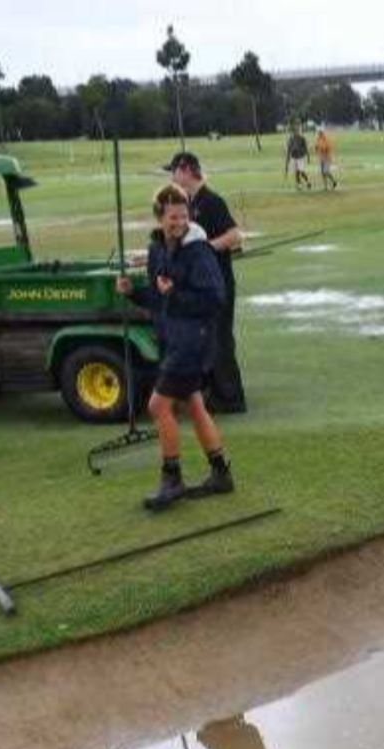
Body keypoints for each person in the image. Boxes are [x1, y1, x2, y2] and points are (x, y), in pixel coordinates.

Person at [115, 183, 234, 511]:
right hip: (173, 338)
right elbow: (157, 297)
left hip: (193, 342)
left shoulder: (199, 252)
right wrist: (132, 293)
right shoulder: (158, 250)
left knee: (157, 407)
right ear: (158, 217)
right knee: (194, 405)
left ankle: (172, 479)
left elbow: (214, 299)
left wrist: (172, 295)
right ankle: (221, 473)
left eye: (182, 216)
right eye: (171, 217)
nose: (178, 222)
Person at [164, 151, 247, 414]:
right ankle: (214, 392)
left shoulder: (211, 201)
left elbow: (235, 236)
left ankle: (232, 399)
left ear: (186, 170)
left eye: (173, 171)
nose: (172, 177)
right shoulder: (188, 204)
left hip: (218, 285)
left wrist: (207, 248)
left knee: (221, 340)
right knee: (207, 340)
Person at [284, 125, 312, 190]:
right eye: (294, 131)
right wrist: (287, 161)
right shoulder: (290, 139)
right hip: (294, 157)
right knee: (296, 172)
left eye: (297, 131)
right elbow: (289, 149)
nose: (296, 132)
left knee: (301, 171)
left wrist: (308, 157)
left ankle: (308, 182)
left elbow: (306, 148)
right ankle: (299, 185)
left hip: (300, 157)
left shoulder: (302, 138)